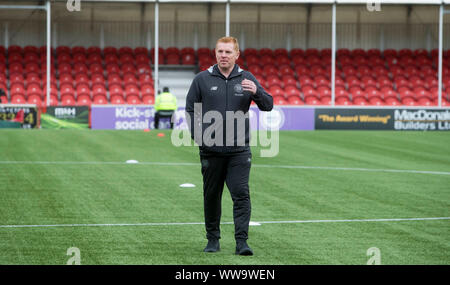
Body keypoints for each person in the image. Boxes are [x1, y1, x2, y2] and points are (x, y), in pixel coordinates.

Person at [185, 36, 273, 255]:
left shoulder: (247, 78)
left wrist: (257, 92)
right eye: (220, 52)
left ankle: (242, 242)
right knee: (211, 195)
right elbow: (189, 110)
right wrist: (199, 137)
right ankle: (212, 240)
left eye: (227, 52)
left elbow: (268, 105)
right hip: (211, 150)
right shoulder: (202, 79)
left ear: (237, 55)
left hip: (239, 151)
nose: (223, 55)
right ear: (215, 53)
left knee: (241, 194)